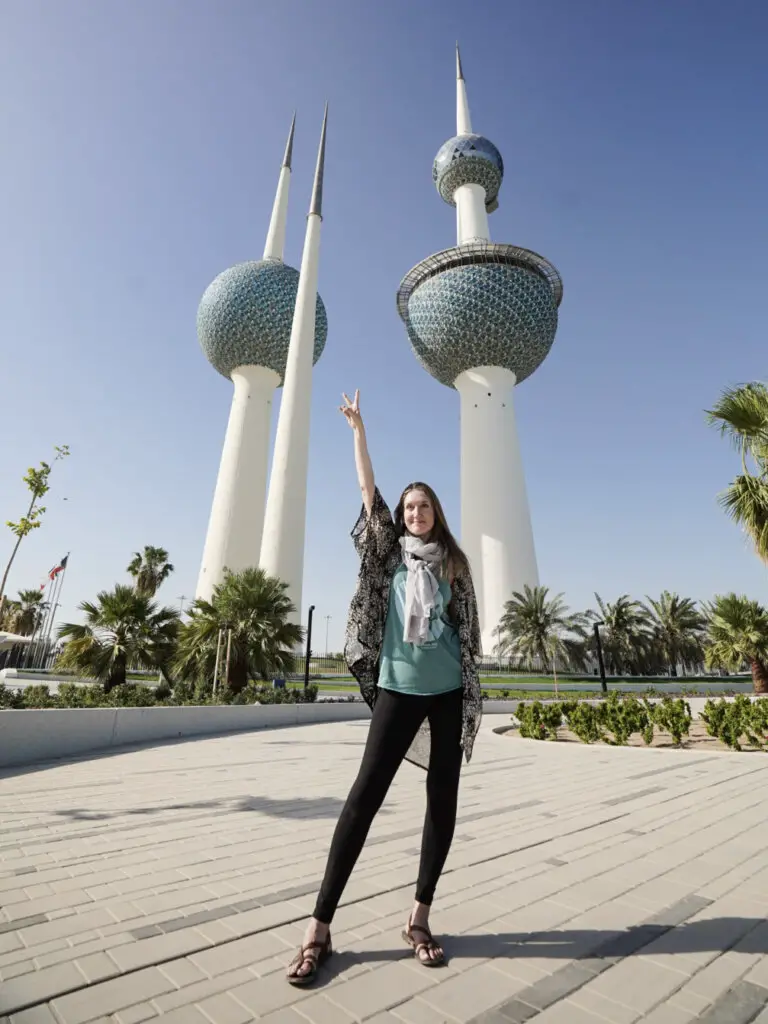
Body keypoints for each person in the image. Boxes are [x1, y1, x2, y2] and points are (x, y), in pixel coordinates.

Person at [286, 390, 482, 986]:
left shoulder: (453, 564)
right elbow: (367, 494)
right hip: (397, 689)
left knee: (441, 804)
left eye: (423, 506)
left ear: (436, 513)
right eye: (409, 506)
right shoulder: (387, 558)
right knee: (362, 801)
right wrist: (359, 432)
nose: (415, 513)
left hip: (446, 691)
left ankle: (419, 918)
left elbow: (467, 634)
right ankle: (319, 926)